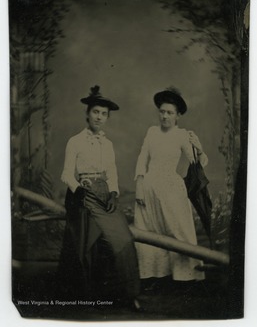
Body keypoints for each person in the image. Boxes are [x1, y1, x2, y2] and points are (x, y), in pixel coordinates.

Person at [57, 86, 140, 309]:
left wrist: (114, 193)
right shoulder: (75, 141)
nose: (99, 117)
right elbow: (66, 173)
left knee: (124, 239)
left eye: (104, 114)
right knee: (93, 240)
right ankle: (93, 293)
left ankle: (128, 294)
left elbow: (112, 172)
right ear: (87, 113)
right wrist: (79, 189)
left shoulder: (108, 144)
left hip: (106, 196)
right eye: (95, 112)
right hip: (84, 194)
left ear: (107, 117)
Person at [134, 87, 208, 291]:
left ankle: (186, 278)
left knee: (178, 230)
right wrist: (139, 184)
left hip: (171, 187)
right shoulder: (151, 132)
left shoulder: (182, 135)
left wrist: (199, 149)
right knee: (149, 231)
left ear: (178, 116)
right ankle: (155, 276)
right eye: (162, 111)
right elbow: (142, 158)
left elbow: (197, 164)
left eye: (170, 112)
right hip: (149, 186)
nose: (165, 116)